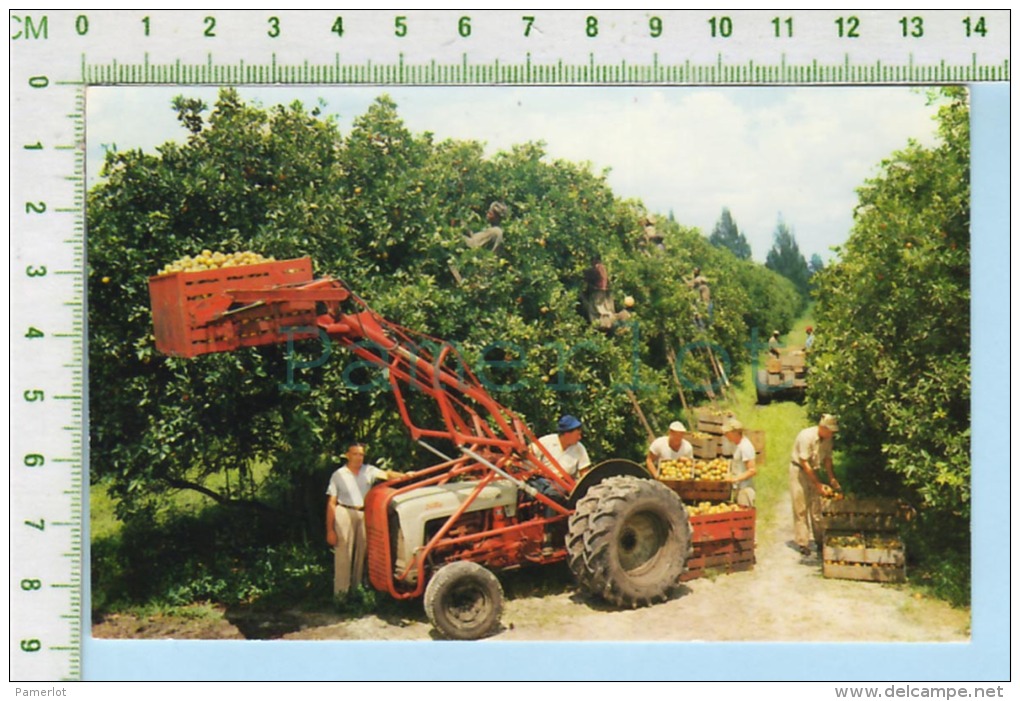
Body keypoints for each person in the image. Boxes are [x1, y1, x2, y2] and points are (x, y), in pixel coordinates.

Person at [325, 443, 399, 595]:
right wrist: (330, 530)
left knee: (362, 552)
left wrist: (406, 475)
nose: (358, 458)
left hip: (364, 513)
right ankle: (341, 595)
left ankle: (356, 592)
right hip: (344, 511)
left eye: (361, 454)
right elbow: (331, 503)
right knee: (343, 553)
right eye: (355, 454)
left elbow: (387, 475)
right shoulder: (338, 475)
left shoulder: (368, 470)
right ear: (347, 455)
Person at [789, 414, 841, 557]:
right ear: (822, 427)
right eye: (830, 430)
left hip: (814, 469)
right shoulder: (806, 436)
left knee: (817, 507)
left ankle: (819, 541)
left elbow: (828, 459)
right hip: (799, 470)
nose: (832, 434)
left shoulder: (828, 439)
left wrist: (832, 478)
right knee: (801, 507)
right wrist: (817, 484)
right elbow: (804, 462)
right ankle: (803, 543)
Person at [722, 417, 756, 507]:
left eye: (727, 433)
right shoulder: (738, 445)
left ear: (735, 432)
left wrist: (734, 479)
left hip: (745, 489)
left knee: (745, 516)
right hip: (739, 488)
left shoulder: (745, 446)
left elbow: (752, 470)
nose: (725, 435)